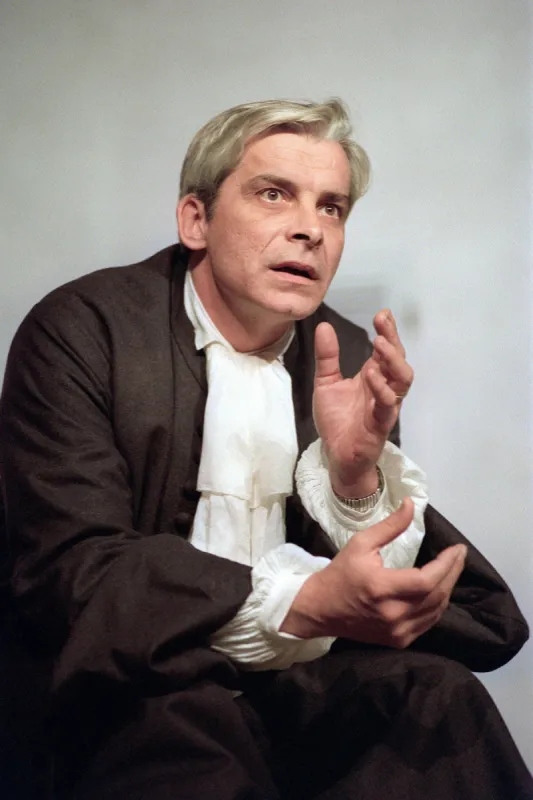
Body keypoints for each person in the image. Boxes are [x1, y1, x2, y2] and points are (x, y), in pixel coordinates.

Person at [0, 98, 531, 800]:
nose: (309, 229)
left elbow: (356, 585)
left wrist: (353, 479)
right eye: (274, 194)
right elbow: (71, 565)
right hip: (140, 671)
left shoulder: (339, 349)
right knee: (185, 743)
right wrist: (303, 600)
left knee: (436, 701)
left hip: (297, 675)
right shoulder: (80, 331)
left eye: (332, 207)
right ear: (196, 219)